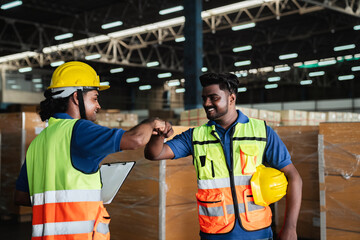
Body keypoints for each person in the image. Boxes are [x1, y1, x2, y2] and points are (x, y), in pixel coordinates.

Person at [14, 61, 167, 240]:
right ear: (76, 97)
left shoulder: (37, 143)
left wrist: (62, 201)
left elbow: (21, 196)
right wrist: (153, 122)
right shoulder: (79, 130)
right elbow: (136, 139)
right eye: (94, 98)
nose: (98, 105)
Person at [144, 73, 302, 240]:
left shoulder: (261, 132)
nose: (206, 103)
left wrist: (290, 228)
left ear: (231, 98)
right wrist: (158, 134)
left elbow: (294, 177)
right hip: (214, 234)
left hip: (258, 233)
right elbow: (154, 154)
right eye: (204, 98)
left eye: (213, 98)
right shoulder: (195, 136)